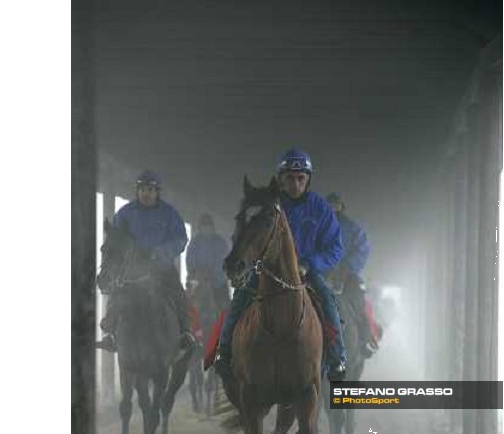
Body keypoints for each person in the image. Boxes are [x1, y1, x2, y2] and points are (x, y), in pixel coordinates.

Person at [214, 149, 347, 381]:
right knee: (240, 298)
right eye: (289, 179)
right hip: (267, 269)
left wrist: (310, 263)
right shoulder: (270, 205)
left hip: (306, 271)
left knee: (327, 300)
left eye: (300, 178)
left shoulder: (321, 208)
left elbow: (335, 247)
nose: (295, 184)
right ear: (281, 180)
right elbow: (252, 236)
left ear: (308, 179)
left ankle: (337, 358)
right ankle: (224, 351)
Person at [96, 170, 193, 352]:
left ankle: (184, 333)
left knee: (178, 295)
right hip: (132, 270)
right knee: (117, 294)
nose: (146, 193)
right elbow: (115, 240)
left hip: (162, 269)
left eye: (150, 189)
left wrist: (160, 253)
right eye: (142, 189)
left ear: (157, 192)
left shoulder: (169, 214)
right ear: (137, 191)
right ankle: (111, 333)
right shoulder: (125, 213)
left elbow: (180, 239)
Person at [326, 192, 379, 357]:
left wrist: (347, 266)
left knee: (358, 302)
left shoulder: (352, 228)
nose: (333, 208)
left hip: (346, 275)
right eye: (330, 205)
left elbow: (363, 249)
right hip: (321, 273)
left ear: (341, 207)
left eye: (336, 205)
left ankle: (365, 340)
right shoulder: (316, 228)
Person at [186, 213, 231, 314]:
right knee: (190, 301)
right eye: (203, 227)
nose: (206, 229)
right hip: (198, 280)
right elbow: (190, 259)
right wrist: (194, 272)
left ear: (212, 227)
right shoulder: (195, 242)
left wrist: (212, 274)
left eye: (208, 227)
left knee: (223, 306)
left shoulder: (220, 242)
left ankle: (224, 322)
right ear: (200, 228)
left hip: (217, 282)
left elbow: (222, 261)